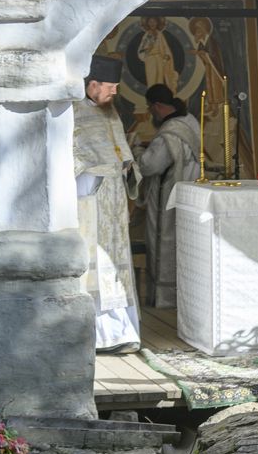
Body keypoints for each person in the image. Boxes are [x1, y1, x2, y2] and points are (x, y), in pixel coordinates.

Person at [74, 55, 143, 354]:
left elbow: (119, 146)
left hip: (114, 198)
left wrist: (127, 166)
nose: (115, 91)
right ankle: (97, 335)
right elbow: (72, 154)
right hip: (90, 197)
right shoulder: (73, 110)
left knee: (116, 262)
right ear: (92, 85)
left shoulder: (110, 110)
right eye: (110, 86)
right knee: (96, 262)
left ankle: (121, 332)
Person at [135, 84, 200, 308]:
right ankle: (186, 296)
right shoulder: (189, 120)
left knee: (166, 241)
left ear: (157, 106)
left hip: (169, 196)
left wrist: (138, 150)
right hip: (190, 192)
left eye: (150, 108)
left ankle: (165, 299)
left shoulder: (170, 132)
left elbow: (150, 165)